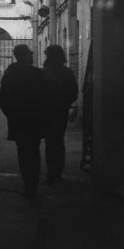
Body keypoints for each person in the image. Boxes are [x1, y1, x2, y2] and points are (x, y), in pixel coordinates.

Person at [0, 44, 46, 199]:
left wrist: (11, 115)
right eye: (29, 53)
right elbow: (46, 97)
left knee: (24, 153)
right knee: (34, 152)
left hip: (18, 120)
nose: (32, 56)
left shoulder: (10, 72)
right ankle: (32, 184)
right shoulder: (37, 74)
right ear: (24, 55)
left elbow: (3, 98)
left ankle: (28, 184)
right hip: (34, 119)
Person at [42, 44, 78, 186]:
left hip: (46, 112)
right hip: (61, 111)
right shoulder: (67, 72)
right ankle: (57, 172)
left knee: (50, 142)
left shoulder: (43, 72)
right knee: (58, 141)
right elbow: (73, 92)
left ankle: (52, 173)